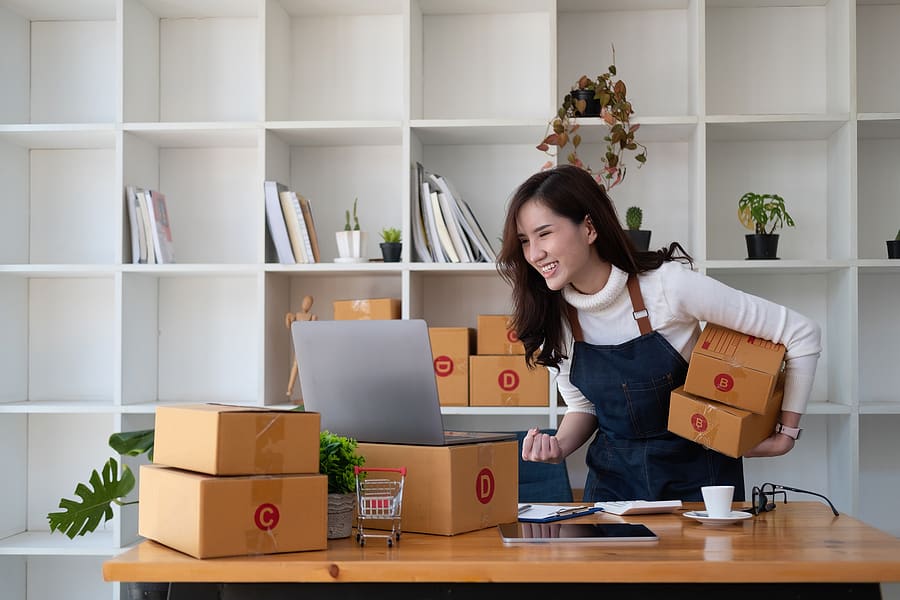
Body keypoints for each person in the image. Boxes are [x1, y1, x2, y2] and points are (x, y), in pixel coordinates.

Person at [497, 165, 821, 502]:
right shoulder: (554, 318)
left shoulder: (668, 287)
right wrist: (559, 447)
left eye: (544, 234)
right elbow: (585, 407)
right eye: (524, 241)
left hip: (702, 486)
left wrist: (786, 433)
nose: (534, 254)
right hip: (612, 490)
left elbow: (801, 333)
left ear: (589, 227)